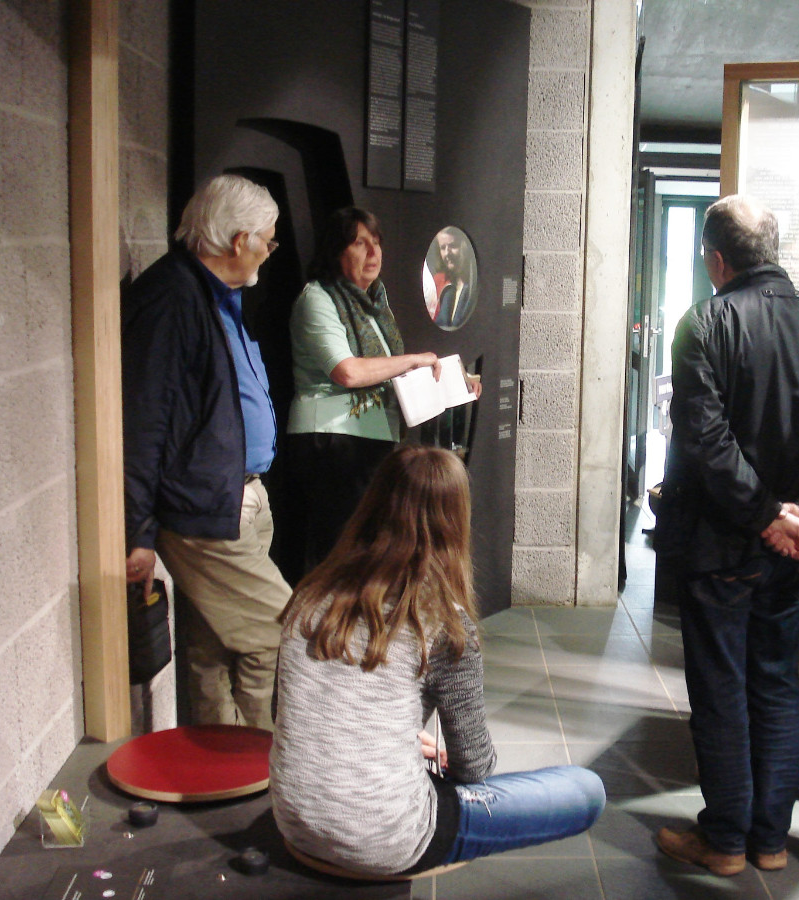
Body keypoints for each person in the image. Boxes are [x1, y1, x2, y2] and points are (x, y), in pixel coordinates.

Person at [653, 194, 799, 875]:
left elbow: (705, 438)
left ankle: (725, 840)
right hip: (794, 551)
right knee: (777, 685)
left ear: (716, 259)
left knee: (721, 691)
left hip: (720, 544)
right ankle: (770, 841)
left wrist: (765, 514)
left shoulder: (704, 323)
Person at [269, 445, 605, 878]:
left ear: (374, 504)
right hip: (389, 838)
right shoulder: (443, 622)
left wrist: (399, 737)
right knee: (585, 790)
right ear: (456, 520)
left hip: (295, 823)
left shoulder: (310, 595)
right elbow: (473, 767)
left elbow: (286, 713)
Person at [123, 174, 291, 730]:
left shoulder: (213, 294)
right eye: (268, 240)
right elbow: (144, 420)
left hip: (239, 497)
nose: (269, 250)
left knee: (213, 643)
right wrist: (137, 530)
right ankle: (256, 755)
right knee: (282, 628)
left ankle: (229, 758)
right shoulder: (173, 298)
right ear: (240, 240)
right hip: (206, 506)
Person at [286, 207, 455, 573]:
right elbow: (347, 372)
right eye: (360, 243)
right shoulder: (318, 298)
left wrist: (454, 383)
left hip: (371, 442)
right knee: (338, 552)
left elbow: (387, 372)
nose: (373, 252)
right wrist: (412, 361)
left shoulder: (376, 303)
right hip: (332, 440)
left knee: (366, 551)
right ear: (336, 250)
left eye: (377, 242)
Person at [427, 226, 476, 329]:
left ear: (464, 247)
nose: (447, 253)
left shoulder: (474, 287)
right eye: (442, 248)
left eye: (453, 246)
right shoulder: (446, 288)